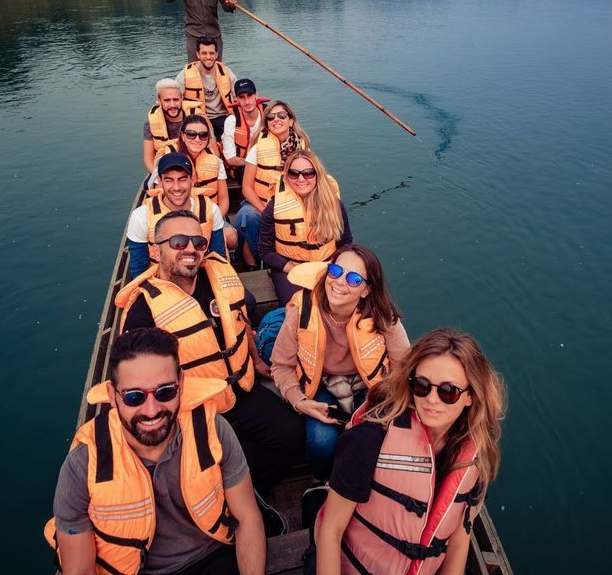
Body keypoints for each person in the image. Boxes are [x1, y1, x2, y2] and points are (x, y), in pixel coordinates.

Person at [116, 210, 305, 516]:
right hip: (190, 410)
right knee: (196, 471)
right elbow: (137, 384)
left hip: (239, 389)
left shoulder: (220, 276)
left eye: (198, 241)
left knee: (292, 435)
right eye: (178, 242)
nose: (190, 249)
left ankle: (249, 488)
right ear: (155, 249)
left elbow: (240, 322)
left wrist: (256, 361)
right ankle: (225, 495)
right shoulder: (143, 312)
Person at [46, 327, 265, 575]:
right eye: (134, 397)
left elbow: (247, 518)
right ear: (112, 394)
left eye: (165, 392)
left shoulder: (212, 430)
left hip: (211, 557)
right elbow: (80, 570)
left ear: (181, 383)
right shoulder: (83, 465)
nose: (152, 411)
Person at [315, 329, 507, 575]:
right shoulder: (368, 441)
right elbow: (330, 530)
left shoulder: (475, 458)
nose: (432, 400)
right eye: (422, 385)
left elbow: (459, 542)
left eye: (448, 391)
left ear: (470, 396)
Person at [269, 244, 411, 481]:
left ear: (366, 290)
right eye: (335, 271)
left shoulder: (383, 317)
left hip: (369, 385)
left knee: (370, 438)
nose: (340, 282)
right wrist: (299, 401)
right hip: (320, 383)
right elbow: (281, 365)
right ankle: (323, 481)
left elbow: (403, 368)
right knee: (322, 443)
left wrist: (376, 408)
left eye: (354, 279)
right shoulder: (302, 311)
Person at [258, 150, 352, 304]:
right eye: (294, 173)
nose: (301, 179)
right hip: (290, 268)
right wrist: (292, 269)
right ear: (287, 176)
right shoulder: (273, 207)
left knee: (336, 303)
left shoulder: (334, 205)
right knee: (297, 304)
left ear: (317, 174)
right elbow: (265, 251)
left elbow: (346, 242)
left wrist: (335, 269)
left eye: (308, 173)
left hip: (327, 266)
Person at [127, 153, 226, 278]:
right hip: (162, 285)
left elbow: (218, 257)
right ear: (160, 181)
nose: (176, 187)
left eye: (182, 179)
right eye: (169, 180)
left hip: (199, 279)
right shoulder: (141, 216)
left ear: (193, 180)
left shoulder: (211, 210)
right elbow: (138, 269)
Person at [235, 100, 310, 266]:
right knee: (247, 217)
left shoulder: (303, 149)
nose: (276, 119)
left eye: (282, 115)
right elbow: (247, 188)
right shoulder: (257, 148)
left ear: (290, 120)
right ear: (267, 123)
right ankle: (253, 259)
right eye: (271, 117)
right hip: (259, 203)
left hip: (290, 204)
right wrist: (265, 212)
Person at [175, 114, 237, 250]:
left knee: (230, 237)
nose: (197, 139)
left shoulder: (216, 161)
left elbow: (224, 199)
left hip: (211, 216)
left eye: (203, 135)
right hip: (179, 219)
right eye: (191, 134)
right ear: (183, 136)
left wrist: (213, 222)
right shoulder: (169, 161)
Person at [175, 37, 237, 141]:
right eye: (204, 53)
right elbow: (174, 97)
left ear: (216, 54)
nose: (208, 57)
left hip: (224, 117)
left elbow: (239, 95)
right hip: (198, 118)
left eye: (211, 53)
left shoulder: (226, 72)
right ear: (198, 54)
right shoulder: (185, 74)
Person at [221, 78, 267, 171]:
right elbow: (231, 159)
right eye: (242, 97)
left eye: (249, 95)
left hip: (264, 163)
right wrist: (255, 164)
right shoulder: (231, 121)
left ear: (256, 95)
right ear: (237, 99)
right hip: (241, 166)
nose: (247, 102)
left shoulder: (267, 116)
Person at [142, 78, 185, 175]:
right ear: (159, 101)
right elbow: (148, 158)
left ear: (181, 99)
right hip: (164, 168)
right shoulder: (150, 123)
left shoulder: (196, 116)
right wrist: (157, 177)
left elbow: (212, 147)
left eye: (176, 99)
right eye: (167, 100)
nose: (172, 105)